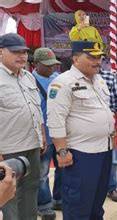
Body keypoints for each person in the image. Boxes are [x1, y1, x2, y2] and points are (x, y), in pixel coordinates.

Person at [47, 41, 115, 219]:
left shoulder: (99, 79)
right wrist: (62, 151)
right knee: (78, 203)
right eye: (91, 57)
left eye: (99, 57)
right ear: (75, 59)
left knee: (97, 201)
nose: (97, 61)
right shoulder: (63, 83)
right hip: (80, 153)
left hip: (104, 149)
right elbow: (55, 119)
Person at [0, 33, 45, 220]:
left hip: (32, 145)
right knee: (9, 195)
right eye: (16, 52)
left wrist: (41, 134)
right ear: (1, 52)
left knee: (31, 189)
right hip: (7, 149)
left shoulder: (28, 77)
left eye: (24, 52)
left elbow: (36, 109)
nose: (22, 56)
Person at [32, 47, 63, 220]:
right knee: (42, 173)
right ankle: (43, 205)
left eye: (53, 65)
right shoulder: (29, 80)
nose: (51, 68)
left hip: (59, 134)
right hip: (42, 136)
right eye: (47, 65)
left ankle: (59, 199)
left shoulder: (59, 79)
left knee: (62, 169)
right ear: (36, 64)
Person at [98, 68, 117, 203]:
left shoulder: (108, 76)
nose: (96, 60)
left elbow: (115, 102)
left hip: (108, 125)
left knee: (113, 160)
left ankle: (111, 187)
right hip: (87, 129)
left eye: (98, 56)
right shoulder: (73, 78)